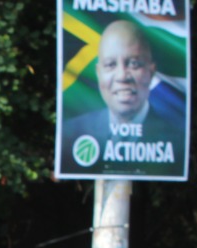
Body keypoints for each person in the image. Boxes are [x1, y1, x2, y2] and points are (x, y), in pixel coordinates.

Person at [60, 19, 186, 178]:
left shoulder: (176, 140)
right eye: (110, 65)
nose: (122, 76)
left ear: (151, 71)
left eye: (133, 63)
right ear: (99, 73)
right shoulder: (70, 134)